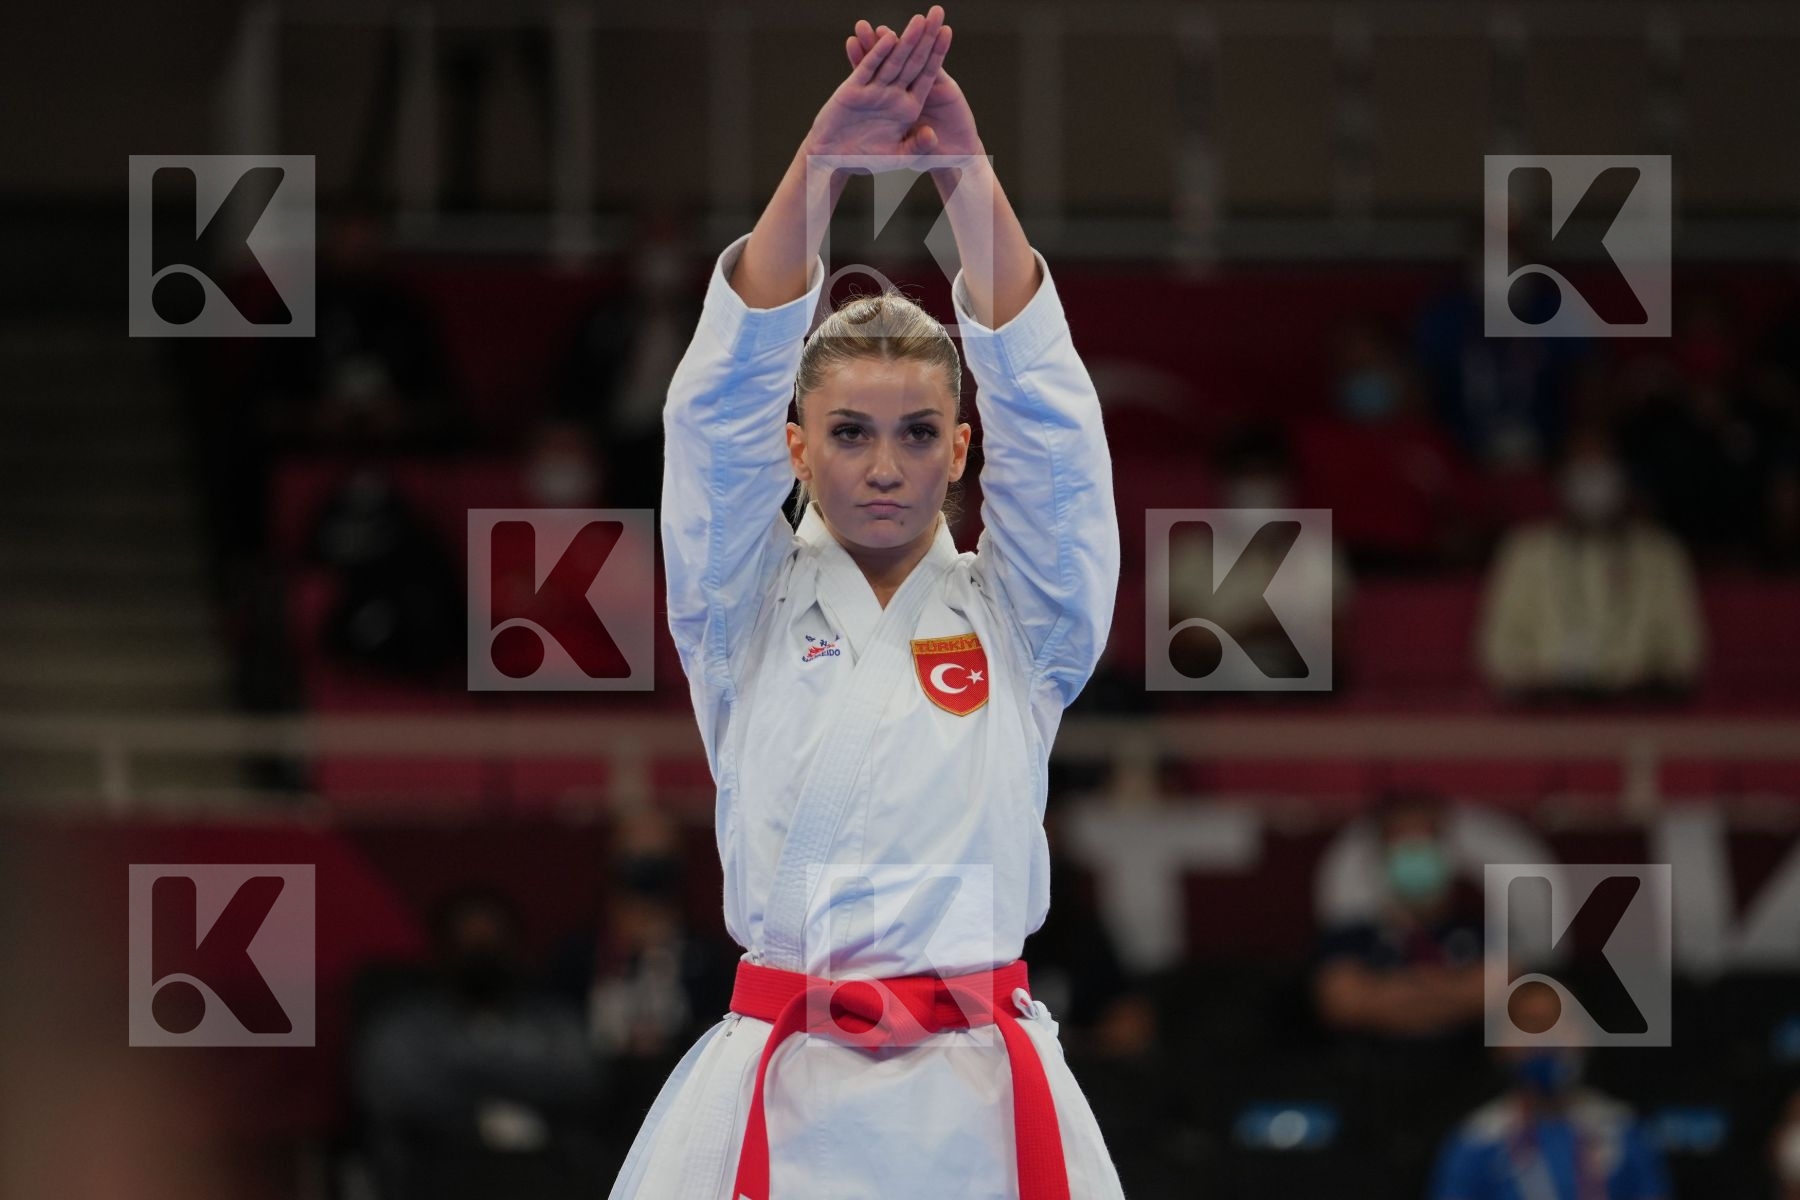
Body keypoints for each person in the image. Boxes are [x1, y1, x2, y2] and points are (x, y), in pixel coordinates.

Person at [610, 9, 1126, 1198]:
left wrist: (966, 176)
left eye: (917, 434)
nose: (884, 467)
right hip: (783, 1086)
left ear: (961, 450)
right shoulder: (737, 609)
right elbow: (714, 416)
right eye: (848, 433)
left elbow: (1054, 431)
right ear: (795, 448)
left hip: (981, 1099)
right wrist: (820, 165)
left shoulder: (1025, 621)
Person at [1477, 424, 1705, 699]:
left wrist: (1636, 681)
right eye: (1583, 470)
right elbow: (1499, 650)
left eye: (1602, 468)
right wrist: (1544, 680)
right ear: (1561, 480)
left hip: (1639, 708)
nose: (1593, 481)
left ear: (1623, 477)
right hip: (1548, 708)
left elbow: (1684, 652)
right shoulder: (1527, 552)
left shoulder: (1659, 554)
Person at [1428, 981, 1672, 1200]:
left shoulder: (1621, 1129)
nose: (1549, 1038)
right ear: (1499, 1046)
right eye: (1533, 1023)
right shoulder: (1477, 1141)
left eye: (1564, 1023)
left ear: (1587, 1037)